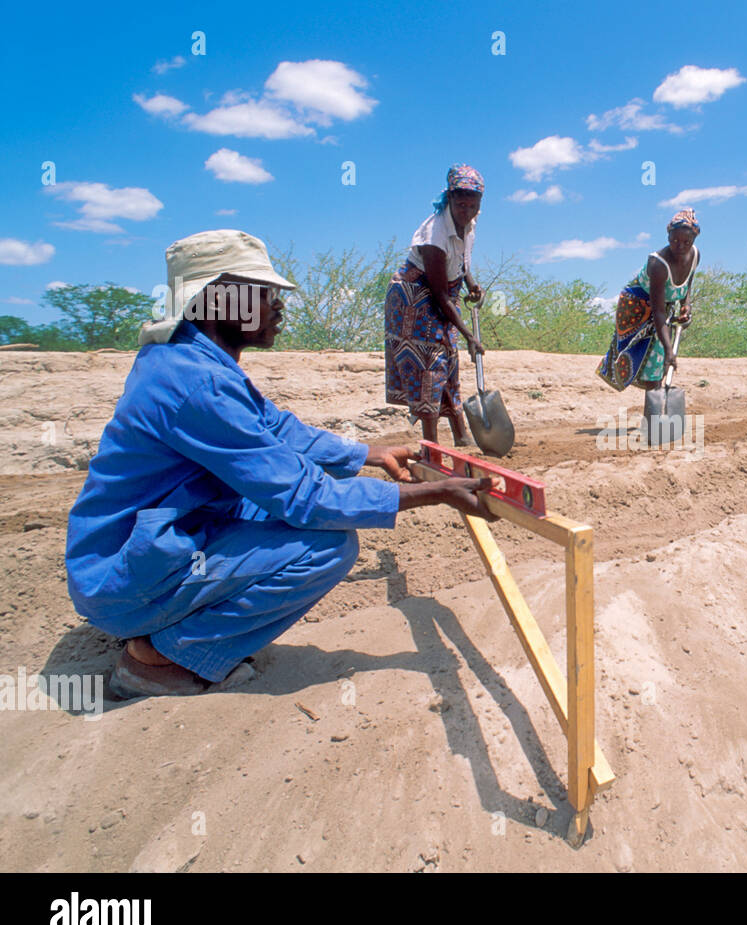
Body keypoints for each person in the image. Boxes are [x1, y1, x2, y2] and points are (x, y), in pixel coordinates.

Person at [66, 229, 493, 698]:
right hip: (123, 581)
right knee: (326, 547)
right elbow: (303, 497)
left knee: (278, 510)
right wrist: (435, 493)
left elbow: (277, 429)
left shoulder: (190, 361)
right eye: (264, 293)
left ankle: (174, 622)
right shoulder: (196, 384)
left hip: (137, 552)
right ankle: (160, 658)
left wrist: (367, 454)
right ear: (216, 300)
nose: (278, 305)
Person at [386, 164, 488, 446]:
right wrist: (469, 336)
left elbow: (463, 259)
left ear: (480, 203)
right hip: (414, 300)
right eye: (460, 203)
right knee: (429, 366)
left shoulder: (470, 223)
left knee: (450, 362)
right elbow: (440, 295)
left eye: (472, 204)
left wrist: (470, 283)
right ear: (449, 200)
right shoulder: (434, 236)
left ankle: (462, 437)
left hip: (443, 294)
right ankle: (431, 447)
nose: (466, 210)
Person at [597, 208, 700, 393]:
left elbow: (687, 283)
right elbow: (658, 312)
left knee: (657, 362)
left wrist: (686, 304)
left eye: (687, 242)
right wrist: (670, 351)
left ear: (694, 240)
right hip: (637, 307)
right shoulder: (658, 265)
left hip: (662, 305)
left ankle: (654, 414)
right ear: (668, 238)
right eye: (674, 241)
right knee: (654, 358)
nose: (680, 246)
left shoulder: (695, 255)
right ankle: (653, 417)